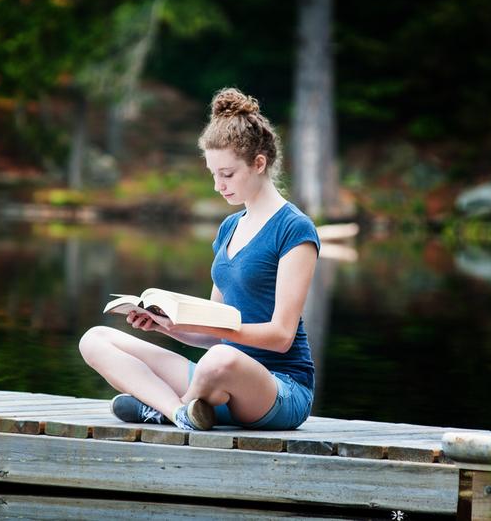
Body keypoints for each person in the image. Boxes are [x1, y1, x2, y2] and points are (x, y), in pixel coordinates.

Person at [78, 87, 320, 431]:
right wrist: (169, 325)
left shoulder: (294, 228)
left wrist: (208, 331)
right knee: (95, 339)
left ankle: (159, 407)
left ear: (259, 163)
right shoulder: (229, 228)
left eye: (227, 174)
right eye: (213, 174)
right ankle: (179, 412)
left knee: (219, 359)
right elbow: (213, 331)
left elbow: (281, 335)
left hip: (279, 388)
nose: (218, 185)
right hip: (216, 378)